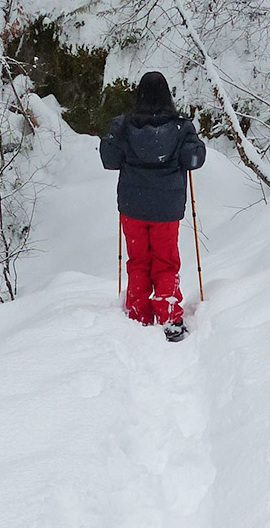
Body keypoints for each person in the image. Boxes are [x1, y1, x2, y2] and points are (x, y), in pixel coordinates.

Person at [100, 71, 205, 342]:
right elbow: (194, 158)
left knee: (138, 261)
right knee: (165, 262)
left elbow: (109, 160)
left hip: (133, 206)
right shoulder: (181, 127)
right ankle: (169, 318)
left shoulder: (123, 126)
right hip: (166, 208)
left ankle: (138, 316)